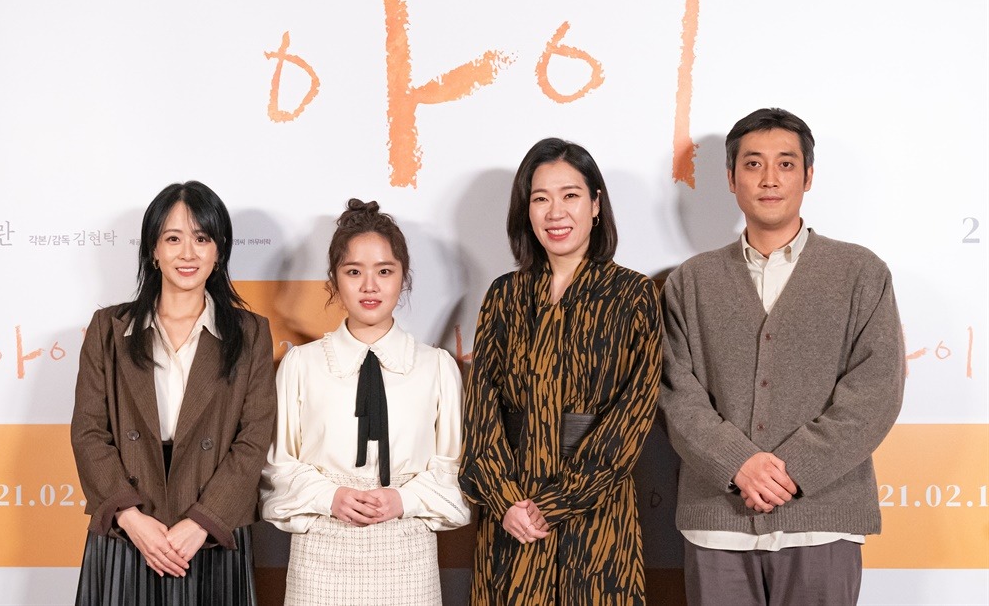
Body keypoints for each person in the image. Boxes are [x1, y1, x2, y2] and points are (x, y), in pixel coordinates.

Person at [659, 108, 906, 605]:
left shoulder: (861, 273)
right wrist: (738, 463)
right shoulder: (690, 281)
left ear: (808, 176)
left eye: (786, 164)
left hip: (823, 521)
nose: (769, 179)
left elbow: (875, 392)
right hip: (718, 525)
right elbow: (674, 393)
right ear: (731, 178)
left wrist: (792, 470)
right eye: (753, 164)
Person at [459, 138, 663, 605]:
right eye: (540, 198)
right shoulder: (505, 295)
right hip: (511, 515)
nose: (556, 212)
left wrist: (554, 504)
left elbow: (632, 415)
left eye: (570, 195)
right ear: (526, 211)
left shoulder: (633, 295)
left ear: (596, 204)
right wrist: (506, 500)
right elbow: (481, 410)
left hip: (596, 514)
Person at [71, 181, 276, 605]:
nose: (188, 253)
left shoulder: (250, 334)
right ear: (153, 250)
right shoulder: (109, 330)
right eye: (173, 239)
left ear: (219, 251)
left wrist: (202, 521)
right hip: (129, 528)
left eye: (201, 238)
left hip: (211, 530)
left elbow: (254, 438)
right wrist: (131, 519)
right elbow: (88, 432)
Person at [260, 199, 470, 606]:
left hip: (408, 556)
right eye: (354, 272)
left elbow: (456, 470)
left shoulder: (436, 366)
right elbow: (277, 468)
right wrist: (331, 497)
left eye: (384, 271)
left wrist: (403, 500)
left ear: (403, 277)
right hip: (320, 555)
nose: (369, 286)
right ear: (334, 280)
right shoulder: (301, 365)